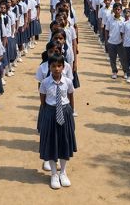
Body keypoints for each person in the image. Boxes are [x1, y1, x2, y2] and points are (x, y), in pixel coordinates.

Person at [38, 54, 76, 190]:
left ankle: (63, 172)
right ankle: (54, 174)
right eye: (53, 66)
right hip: (50, 112)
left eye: (59, 66)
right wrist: (48, 112)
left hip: (65, 112)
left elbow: (71, 95)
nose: (56, 69)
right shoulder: (45, 83)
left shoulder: (68, 82)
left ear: (63, 67)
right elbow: (42, 100)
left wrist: (70, 111)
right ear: (49, 67)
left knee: (64, 142)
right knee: (52, 142)